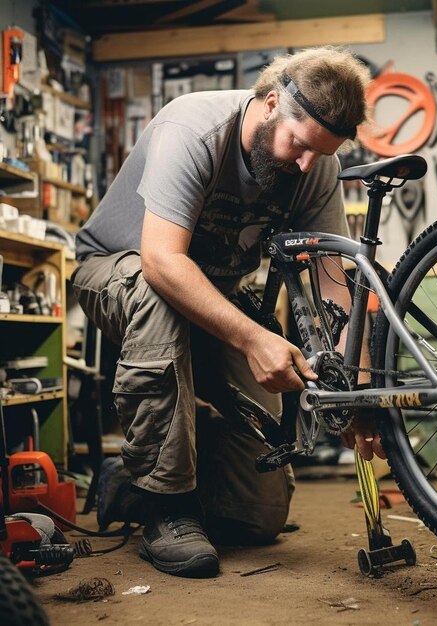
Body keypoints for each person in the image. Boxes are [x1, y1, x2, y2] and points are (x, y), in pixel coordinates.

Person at [71, 46, 385, 579]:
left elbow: (334, 283)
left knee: (257, 517)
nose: (308, 165)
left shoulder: (317, 164)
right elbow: (162, 262)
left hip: (210, 292)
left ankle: (130, 480)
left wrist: (355, 386)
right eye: (300, 145)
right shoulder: (192, 130)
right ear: (269, 104)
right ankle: (163, 503)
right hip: (119, 272)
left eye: (323, 153)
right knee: (159, 296)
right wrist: (253, 339)